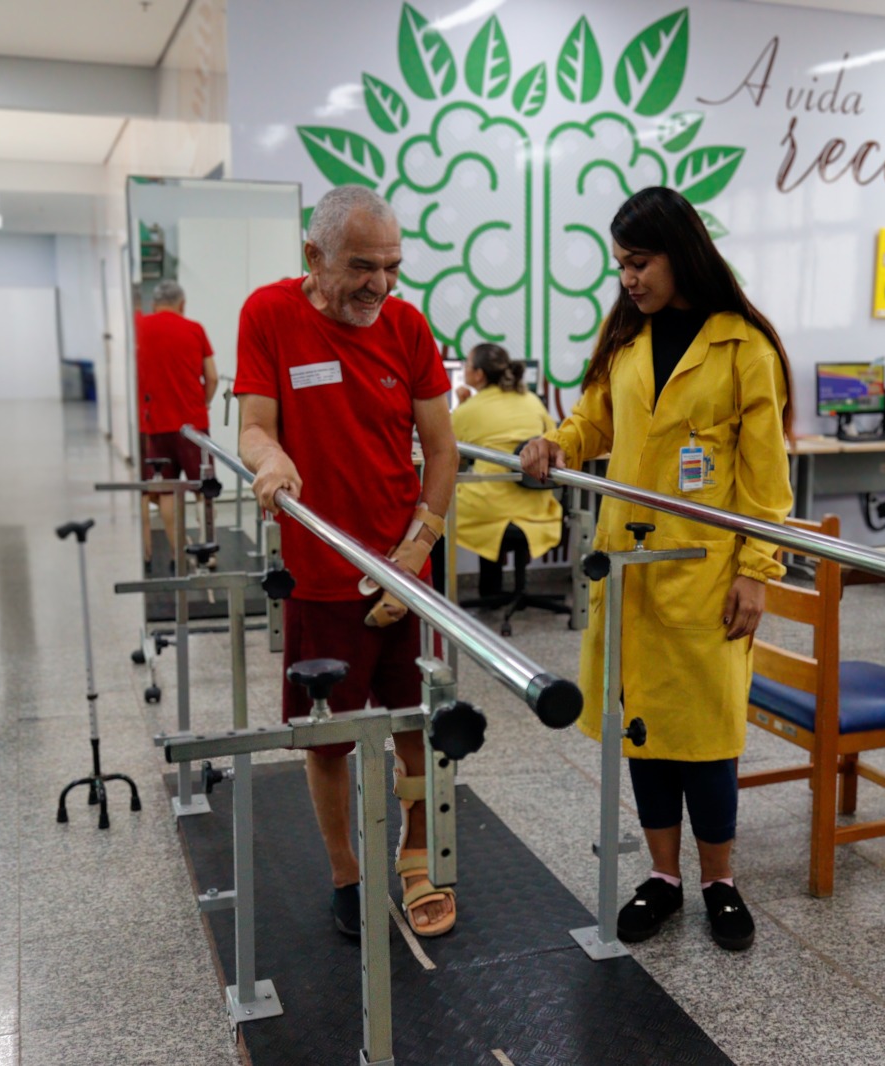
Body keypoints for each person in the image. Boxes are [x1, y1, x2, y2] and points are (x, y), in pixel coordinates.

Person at [520, 186, 793, 952]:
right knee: (642, 731)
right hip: (631, 567)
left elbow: (768, 478)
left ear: (682, 253)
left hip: (705, 571)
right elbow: (592, 420)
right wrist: (557, 443)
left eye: (640, 262)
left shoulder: (743, 346)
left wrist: (757, 569)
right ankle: (665, 878)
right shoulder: (626, 341)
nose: (629, 279)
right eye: (621, 266)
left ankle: (721, 882)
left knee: (707, 736)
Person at [236, 186, 459, 939]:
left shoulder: (407, 326)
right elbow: (256, 427)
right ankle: (346, 874)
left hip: (406, 567)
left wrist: (419, 544)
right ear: (314, 256)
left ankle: (418, 855)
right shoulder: (268, 314)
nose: (381, 284)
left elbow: (443, 447)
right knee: (327, 738)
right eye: (363, 266)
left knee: (416, 725)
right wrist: (270, 462)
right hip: (324, 573)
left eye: (392, 266)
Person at [449, 344, 562, 600]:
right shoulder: (532, 400)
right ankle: (495, 591)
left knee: (437, 516)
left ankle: (439, 599)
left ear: (478, 375)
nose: (464, 370)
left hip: (487, 509)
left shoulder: (468, 411)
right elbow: (553, 438)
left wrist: (464, 406)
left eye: (467, 365)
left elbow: (449, 453)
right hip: (536, 508)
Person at [136, 280, 217, 562]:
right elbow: (213, 376)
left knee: (166, 490)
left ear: (153, 304)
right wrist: (202, 403)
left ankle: (176, 552)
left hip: (154, 424)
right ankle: (210, 552)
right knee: (203, 490)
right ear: (182, 304)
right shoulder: (194, 329)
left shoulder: (140, 328)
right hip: (193, 424)